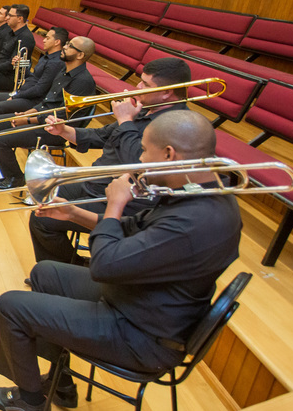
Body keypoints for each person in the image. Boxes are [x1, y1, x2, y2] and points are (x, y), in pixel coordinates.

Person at [0, 111, 242, 411]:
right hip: (142, 301)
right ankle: (59, 384)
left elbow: (104, 265)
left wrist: (115, 204)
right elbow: (134, 228)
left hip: (142, 335)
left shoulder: (194, 222)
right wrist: (75, 214)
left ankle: (30, 399)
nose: (139, 159)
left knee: (11, 306)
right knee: (45, 272)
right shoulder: (199, 192)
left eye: (144, 150)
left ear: (169, 154)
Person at [29, 57, 193, 265]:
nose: (138, 87)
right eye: (140, 80)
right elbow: (101, 135)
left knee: (45, 218)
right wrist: (65, 131)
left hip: (123, 202)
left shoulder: (177, 126)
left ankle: (67, 274)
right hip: (96, 184)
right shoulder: (143, 108)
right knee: (42, 206)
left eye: (146, 84)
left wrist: (125, 120)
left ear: (166, 93)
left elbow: (137, 164)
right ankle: (65, 270)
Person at [0, 36, 97, 190]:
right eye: (66, 44)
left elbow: (62, 117)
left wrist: (28, 120)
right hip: (41, 119)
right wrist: (27, 113)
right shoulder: (63, 70)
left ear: (80, 55)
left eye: (70, 46)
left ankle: (16, 177)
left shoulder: (83, 82)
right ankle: (2, 170)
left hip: (56, 130)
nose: (65, 47)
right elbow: (47, 101)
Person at [0, 26, 68, 118]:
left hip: (33, 100)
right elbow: (33, 77)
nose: (44, 40)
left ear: (57, 42)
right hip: (24, 93)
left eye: (47, 38)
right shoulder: (46, 57)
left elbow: (39, 90)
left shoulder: (56, 63)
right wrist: (20, 66)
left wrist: (16, 96)